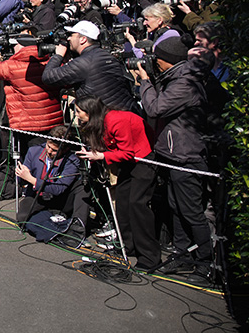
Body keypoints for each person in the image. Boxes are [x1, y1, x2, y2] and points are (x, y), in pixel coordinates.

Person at [135, 36, 212, 282]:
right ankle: (182, 254)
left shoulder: (185, 84)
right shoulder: (175, 77)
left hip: (186, 155)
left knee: (191, 212)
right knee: (176, 208)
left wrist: (145, 82)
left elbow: (155, 108)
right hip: (173, 152)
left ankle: (205, 263)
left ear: (169, 61)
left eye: (158, 59)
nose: (154, 62)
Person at [74, 96, 160, 271]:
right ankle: (126, 247)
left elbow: (127, 152)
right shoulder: (100, 122)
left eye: (78, 112)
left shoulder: (116, 120)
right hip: (128, 161)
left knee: (137, 204)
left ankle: (150, 257)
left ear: (89, 111)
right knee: (122, 202)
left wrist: (102, 156)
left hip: (143, 158)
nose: (77, 116)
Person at [0, 36, 63, 147]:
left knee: (30, 158)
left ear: (20, 46)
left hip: (26, 124)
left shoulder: (12, 67)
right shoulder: (51, 63)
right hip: (52, 121)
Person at [42, 20, 137, 112]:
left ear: (83, 39)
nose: (68, 39)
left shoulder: (84, 62)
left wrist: (58, 55)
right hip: (122, 111)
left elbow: (48, 77)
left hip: (103, 117)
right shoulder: (105, 55)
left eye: (71, 35)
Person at [15, 125, 81, 223]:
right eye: (48, 146)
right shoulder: (33, 151)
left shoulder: (72, 161)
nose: (49, 151)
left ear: (65, 150)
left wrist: (31, 179)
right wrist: (21, 174)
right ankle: (50, 219)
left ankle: (55, 219)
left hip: (59, 199)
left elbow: (58, 188)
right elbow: (20, 181)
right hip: (36, 197)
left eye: (54, 150)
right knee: (22, 218)